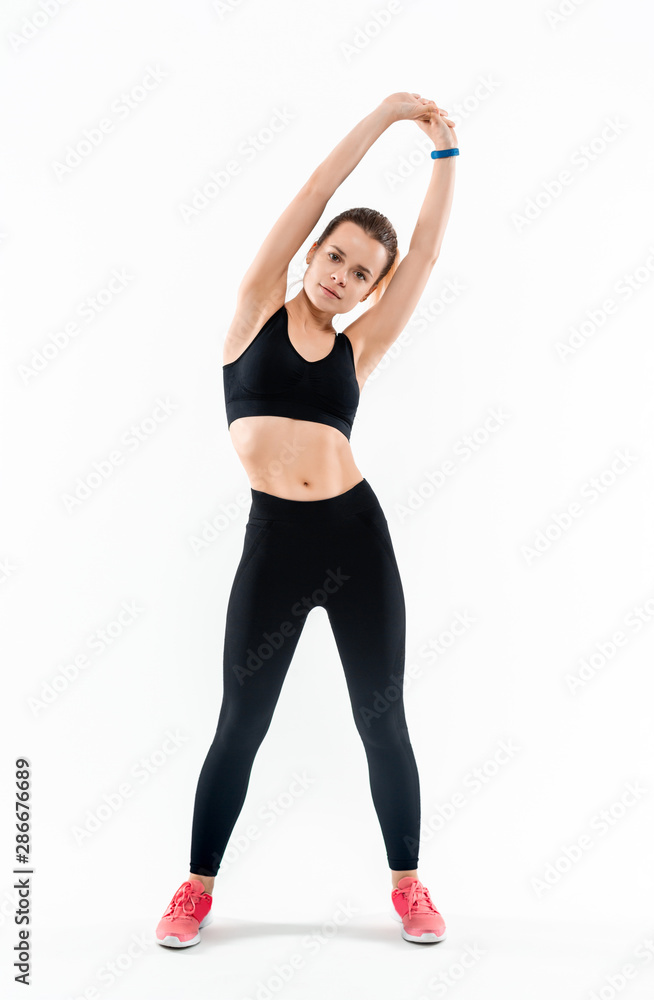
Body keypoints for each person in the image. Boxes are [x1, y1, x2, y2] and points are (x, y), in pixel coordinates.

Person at [155, 91, 458, 948]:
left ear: (371, 289)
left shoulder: (361, 347)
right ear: (313, 253)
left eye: (362, 274)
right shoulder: (255, 308)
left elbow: (426, 256)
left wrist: (443, 159)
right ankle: (194, 888)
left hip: (355, 541)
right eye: (335, 258)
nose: (341, 277)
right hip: (275, 545)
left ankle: (408, 886)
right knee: (239, 720)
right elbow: (317, 186)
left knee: (380, 717)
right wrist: (389, 115)